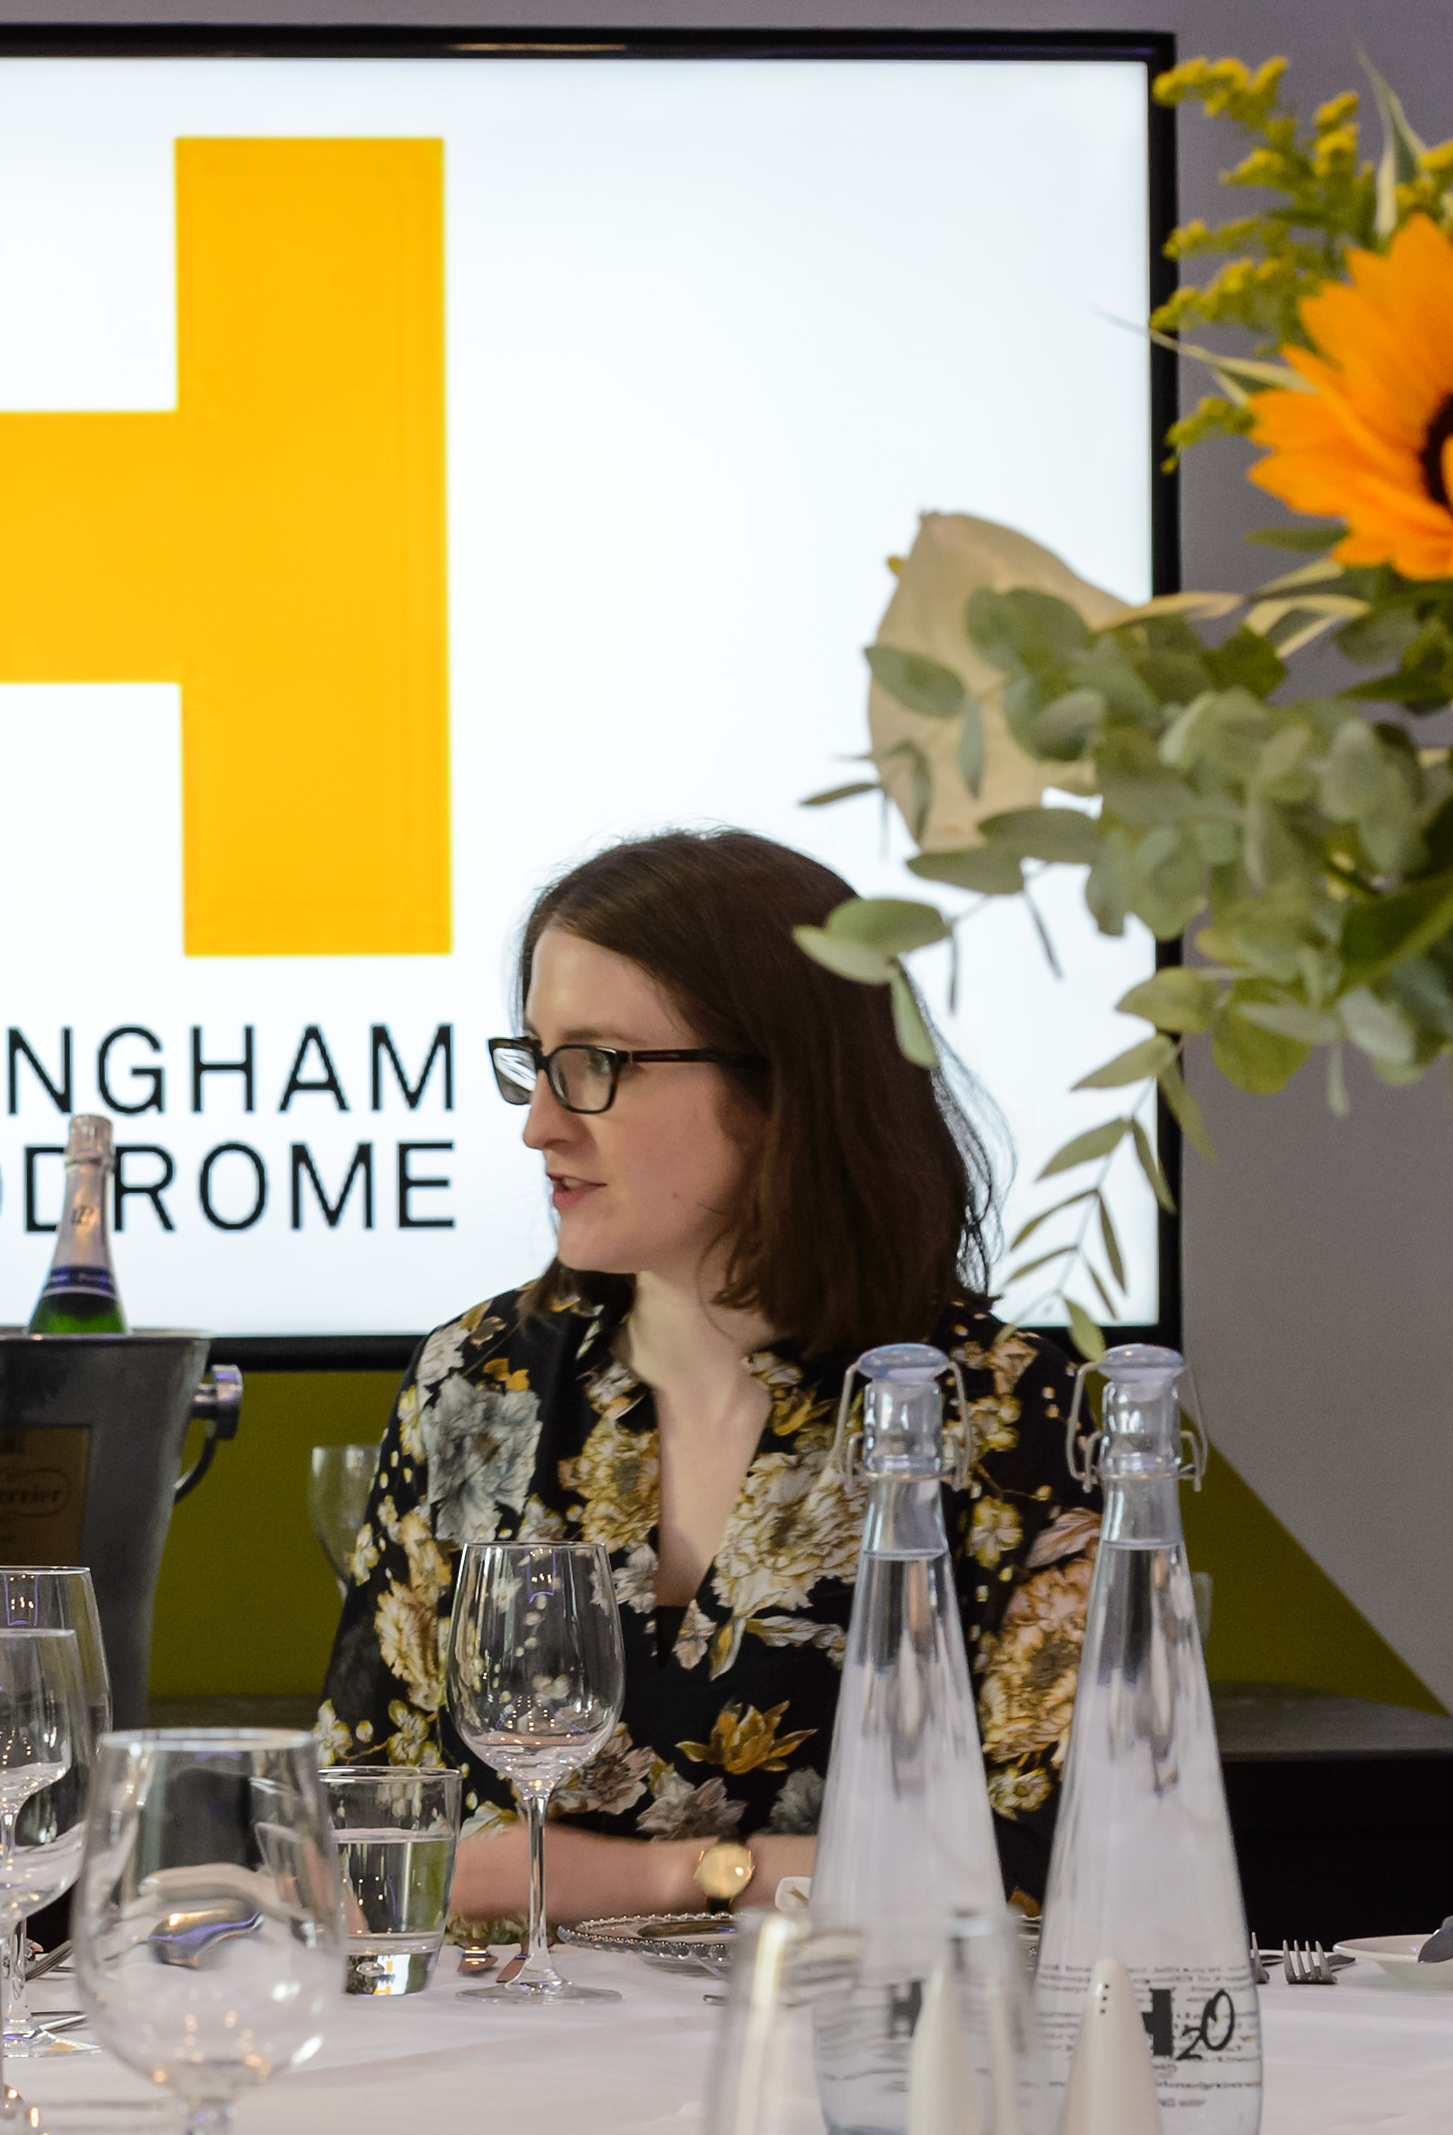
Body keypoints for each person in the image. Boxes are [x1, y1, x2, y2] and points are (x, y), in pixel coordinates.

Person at [316, 827, 1104, 1935]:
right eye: (535, 1061)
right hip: (493, 2071)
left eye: (597, 1065)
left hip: (857, 2077)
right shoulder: (475, 1382)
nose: (542, 1122)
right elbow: (367, 1817)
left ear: (783, 1082)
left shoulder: (1013, 1415)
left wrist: (662, 1878)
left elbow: (1048, 1869)